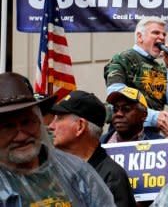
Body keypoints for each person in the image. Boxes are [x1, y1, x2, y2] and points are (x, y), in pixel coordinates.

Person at [0, 72, 114, 206]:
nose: (21, 136)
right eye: (8, 127)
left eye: (27, 122)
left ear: (40, 123)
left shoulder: (76, 171)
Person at [48, 90, 136, 207]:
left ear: (80, 126)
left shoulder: (112, 177)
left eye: (59, 118)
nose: (51, 126)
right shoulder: (54, 170)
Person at [101, 85, 168, 206]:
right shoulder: (100, 145)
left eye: (126, 109)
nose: (118, 114)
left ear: (144, 115)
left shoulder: (161, 148)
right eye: (116, 109)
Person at [104, 16, 168, 137]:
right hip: (125, 132)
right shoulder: (123, 59)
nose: (162, 37)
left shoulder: (160, 67)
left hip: (151, 132)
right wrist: (152, 117)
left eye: (164, 34)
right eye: (156, 33)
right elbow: (115, 92)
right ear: (140, 37)